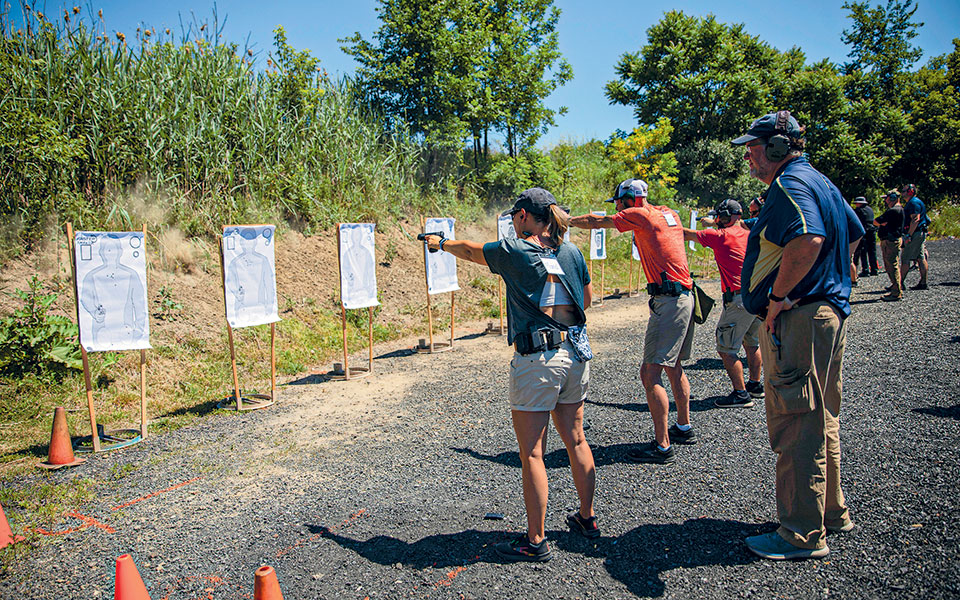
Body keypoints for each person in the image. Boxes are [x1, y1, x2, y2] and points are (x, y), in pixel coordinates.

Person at [421, 188, 597, 562]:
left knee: (533, 453)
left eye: (515, 217)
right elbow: (587, 299)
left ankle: (535, 541)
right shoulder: (572, 251)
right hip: (575, 354)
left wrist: (441, 243)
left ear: (522, 216)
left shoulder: (516, 250)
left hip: (537, 359)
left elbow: (470, 250)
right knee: (577, 441)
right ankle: (587, 518)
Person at [733, 110, 864, 560]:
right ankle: (831, 512)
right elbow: (854, 229)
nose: (748, 156)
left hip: (801, 317)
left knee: (797, 420)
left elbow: (807, 239)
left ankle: (801, 531)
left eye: (754, 147)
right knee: (823, 415)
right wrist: (838, 276)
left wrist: (778, 297)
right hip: (825, 312)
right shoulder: (822, 181)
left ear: (775, 148)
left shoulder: (791, 185)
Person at [570, 179, 696, 465]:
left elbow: (595, 221)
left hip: (670, 300)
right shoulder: (668, 213)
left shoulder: (640, 214)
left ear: (631, 200)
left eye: (618, 201)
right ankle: (683, 427)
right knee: (673, 365)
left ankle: (662, 446)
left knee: (650, 374)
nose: (616, 207)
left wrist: (565, 219)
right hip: (684, 295)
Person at [683, 199, 763, 408]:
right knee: (751, 342)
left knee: (726, 349)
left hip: (737, 300)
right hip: (756, 297)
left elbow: (685, 234)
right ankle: (755, 384)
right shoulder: (748, 234)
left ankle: (740, 394)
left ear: (725, 217)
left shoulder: (720, 236)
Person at [875, 190, 905, 302]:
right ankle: (896, 287)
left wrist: (882, 223)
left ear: (892, 198)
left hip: (890, 240)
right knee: (892, 264)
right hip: (893, 240)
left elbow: (876, 221)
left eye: (887, 198)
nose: (886, 201)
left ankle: (896, 292)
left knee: (892, 266)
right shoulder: (899, 209)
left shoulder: (893, 211)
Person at [899, 183, 931, 291]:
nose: (902, 194)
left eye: (904, 191)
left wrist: (909, 235)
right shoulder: (915, 202)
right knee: (920, 258)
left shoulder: (913, 203)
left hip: (915, 233)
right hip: (919, 232)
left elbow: (915, 219)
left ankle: (899, 283)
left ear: (910, 192)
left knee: (905, 258)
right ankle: (923, 282)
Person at [851, 197, 879, 277]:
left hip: (864, 232)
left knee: (863, 251)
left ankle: (865, 270)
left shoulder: (858, 211)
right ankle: (874, 269)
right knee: (872, 251)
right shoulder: (870, 209)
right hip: (872, 231)